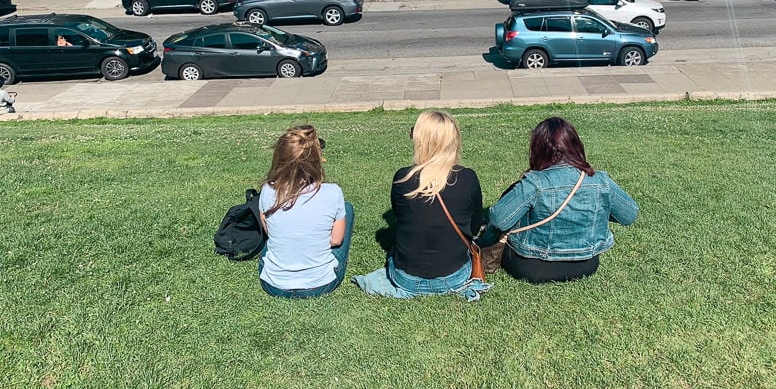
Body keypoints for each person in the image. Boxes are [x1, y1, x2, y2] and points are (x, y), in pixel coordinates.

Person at [479, 117, 638, 284]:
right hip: (586, 265)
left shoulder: (535, 183)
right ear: (576, 145)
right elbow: (629, 215)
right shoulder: (600, 180)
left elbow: (499, 219)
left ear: (538, 149)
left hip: (532, 266)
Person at [353, 110, 491, 301]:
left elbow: (400, 215)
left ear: (419, 140)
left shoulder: (402, 177)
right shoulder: (468, 178)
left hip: (406, 278)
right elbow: (474, 227)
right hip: (454, 277)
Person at [258, 124, 353, 299]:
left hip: (273, 283)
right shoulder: (332, 192)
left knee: (276, 238)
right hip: (320, 283)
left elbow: (270, 232)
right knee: (347, 208)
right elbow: (336, 240)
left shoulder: (267, 190)